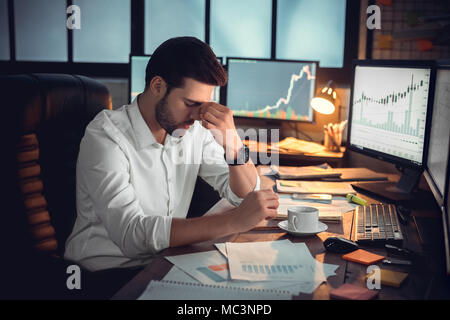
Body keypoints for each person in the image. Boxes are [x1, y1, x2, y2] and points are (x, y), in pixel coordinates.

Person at [64, 37, 279, 288]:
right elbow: (131, 234)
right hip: (104, 277)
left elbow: (245, 196)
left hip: (164, 263)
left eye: (203, 105)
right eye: (190, 104)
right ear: (157, 86)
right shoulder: (106, 135)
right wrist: (232, 221)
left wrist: (233, 144)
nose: (197, 116)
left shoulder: (192, 131)